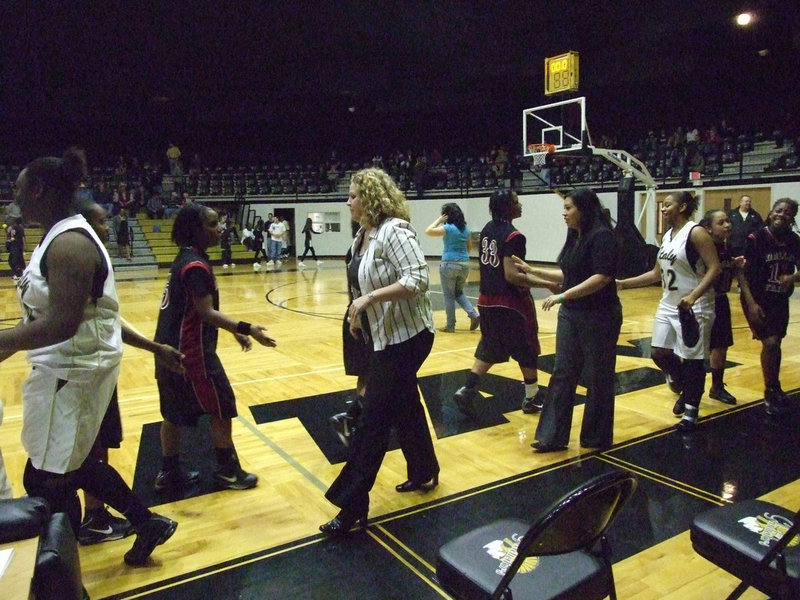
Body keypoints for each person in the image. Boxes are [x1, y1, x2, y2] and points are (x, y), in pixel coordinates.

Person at [0, 148, 184, 566]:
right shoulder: (56, 237)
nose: (16, 195)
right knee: (77, 463)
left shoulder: (68, 244)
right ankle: (146, 521)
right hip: (73, 366)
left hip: (71, 370)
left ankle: (61, 575)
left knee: (45, 478)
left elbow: (62, 325)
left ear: (40, 189)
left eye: (20, 188)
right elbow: (87, 316)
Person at [321, 168, 438, 537]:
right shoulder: (362, 236)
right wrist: (358, 311)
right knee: (404, 403)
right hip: (382, 334)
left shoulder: (394, 231)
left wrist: (370, 298)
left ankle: (352, 505)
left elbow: (418, 279)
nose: (348, 201)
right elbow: (360, 280)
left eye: (353, 195)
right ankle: (424, 470)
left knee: (372, 419)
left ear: (370, 198)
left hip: (409, 336)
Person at [154, 203, 277, 492]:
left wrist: (231, 331)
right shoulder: (195, 266)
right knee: (222, 406)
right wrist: (246, 328)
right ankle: (227, 471)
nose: (220, 228)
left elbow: (198, 311)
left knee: (172, 414)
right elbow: (206, 312)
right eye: (211, 224)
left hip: (167, 350)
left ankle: (168, 472)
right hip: (191, 354)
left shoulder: (185, 259)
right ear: (194, 230)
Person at [513, 188, 622, 452]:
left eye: (569, 208)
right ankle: (552, 436)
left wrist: (563, 297)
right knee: (563, 372)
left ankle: (595, 437)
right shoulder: (576, 236)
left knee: (597, 376)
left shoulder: (602, 236)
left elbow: (601, 278)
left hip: (600, 316)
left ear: (584, 209)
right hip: (572, 315)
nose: (564, 213)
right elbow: (568, 273)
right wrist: (532, 269)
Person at [617, 191, 721, 431]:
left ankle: (691, 412)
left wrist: (694, 296)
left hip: (694, 306)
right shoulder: (667, 236)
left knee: (694, 359)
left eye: (668, 205)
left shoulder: (696, 232)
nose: (663, 209)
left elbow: (715, 268)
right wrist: (624, 283)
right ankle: (687, 386)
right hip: (668, 303)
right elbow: (656, 274)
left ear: (683, 207)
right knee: (659, 353)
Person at [452, 189, 552, 417]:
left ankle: (467, 389)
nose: (521, 205)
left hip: (486, 300)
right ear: (508, 207)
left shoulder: (487, 229)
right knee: (526, 347)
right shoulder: (514, 236)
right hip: (510, 302)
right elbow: (511, 275)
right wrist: (546, 283)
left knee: (490, 346)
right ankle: (532, 397)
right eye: (516, 201)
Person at [73, 201, 135, 544]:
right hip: (83, 371)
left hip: (97, 370)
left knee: (98, 446)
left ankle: (97, 514)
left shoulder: (93, 258)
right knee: (88, 449)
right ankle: (93, 518)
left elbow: (106, 316)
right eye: (101, 221)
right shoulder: (78, 257)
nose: (108, 226)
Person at [738, 198, 800, 416]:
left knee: (776, 344)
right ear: (771, 211)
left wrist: (792, 277)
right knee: (771, 343)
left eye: (787, 212)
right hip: (756, 297)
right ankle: (769, 390)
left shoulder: (794, 240)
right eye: (778, 210)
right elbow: (742, 275)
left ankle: (774, 386)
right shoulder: (756, 238)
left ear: (792, 217)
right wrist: (752, 304)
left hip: (779, 299)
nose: (781, 215)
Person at [699, 209, 740, 405]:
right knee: (695, 348)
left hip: (721, 299)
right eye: (721, 222)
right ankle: (686, 387)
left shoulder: (728, 248)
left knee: (721, 345)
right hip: (701, 301)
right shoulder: (700, 248)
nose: (727, 225)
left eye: (728, 221)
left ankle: (717, 387)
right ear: (708, 228)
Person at [425, 203, 480, 333]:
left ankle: (450, 325)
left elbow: (428, 231)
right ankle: (473, 314)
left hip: (449, 263)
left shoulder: (448, 228)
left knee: (449, 296)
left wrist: (439, 220)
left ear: (447, 215)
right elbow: (469, 247)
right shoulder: (466, 229)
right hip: (464, 264)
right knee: (458, 292)